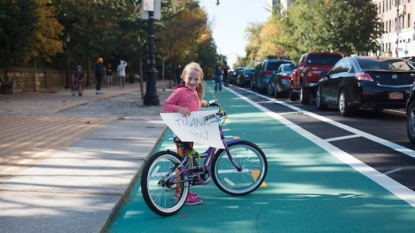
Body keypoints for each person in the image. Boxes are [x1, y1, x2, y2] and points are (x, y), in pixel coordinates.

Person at [162, 62, 208, 206]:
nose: (193, 82)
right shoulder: (180, 91)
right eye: (190, 78)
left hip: (191, 133)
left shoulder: (194, 92)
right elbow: (166, 105)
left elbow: (193, 105)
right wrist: (179, 109)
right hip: (182, 134)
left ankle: (182, 190)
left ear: (200, 79)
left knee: (185, 162)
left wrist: (202, 103)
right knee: (183, 165)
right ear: (183, 77)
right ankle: (182, 194)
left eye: (196, 79)